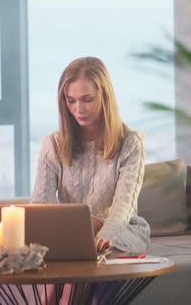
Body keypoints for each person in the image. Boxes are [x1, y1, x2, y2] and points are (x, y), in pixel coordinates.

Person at [31, 56, 151, 254]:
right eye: (71, 101)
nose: (78, 109)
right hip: (71, 233)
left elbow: (124, 206)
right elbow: (39, 206)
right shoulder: (52, 144)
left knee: (90, 225)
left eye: (87, 99)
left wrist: (105, 234)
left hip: (121, 231)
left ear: (104, 97)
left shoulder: (131, 142)